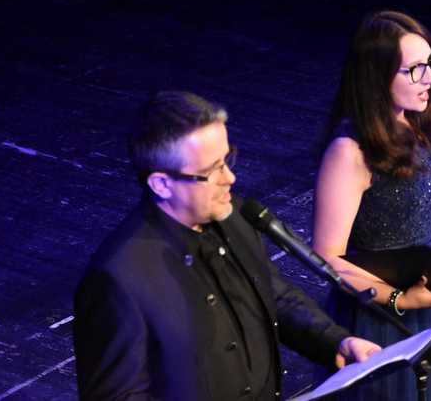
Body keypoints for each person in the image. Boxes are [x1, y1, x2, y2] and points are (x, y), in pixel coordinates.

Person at [73, 91, 381, 401]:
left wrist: (335, 341)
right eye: (212, 170)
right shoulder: (119, 278)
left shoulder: (233, 215)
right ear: (162, 184)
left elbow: (274, 295)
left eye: (227, 159)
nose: (230, 178)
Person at [313, 11, 431, 400]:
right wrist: (398, 299)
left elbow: (416, 197)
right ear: (377, 78)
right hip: (382, 315)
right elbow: (327, 258)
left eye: (429, 65)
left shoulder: (417, 125)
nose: (429, 80)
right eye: (414, 69)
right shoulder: (350, 153)